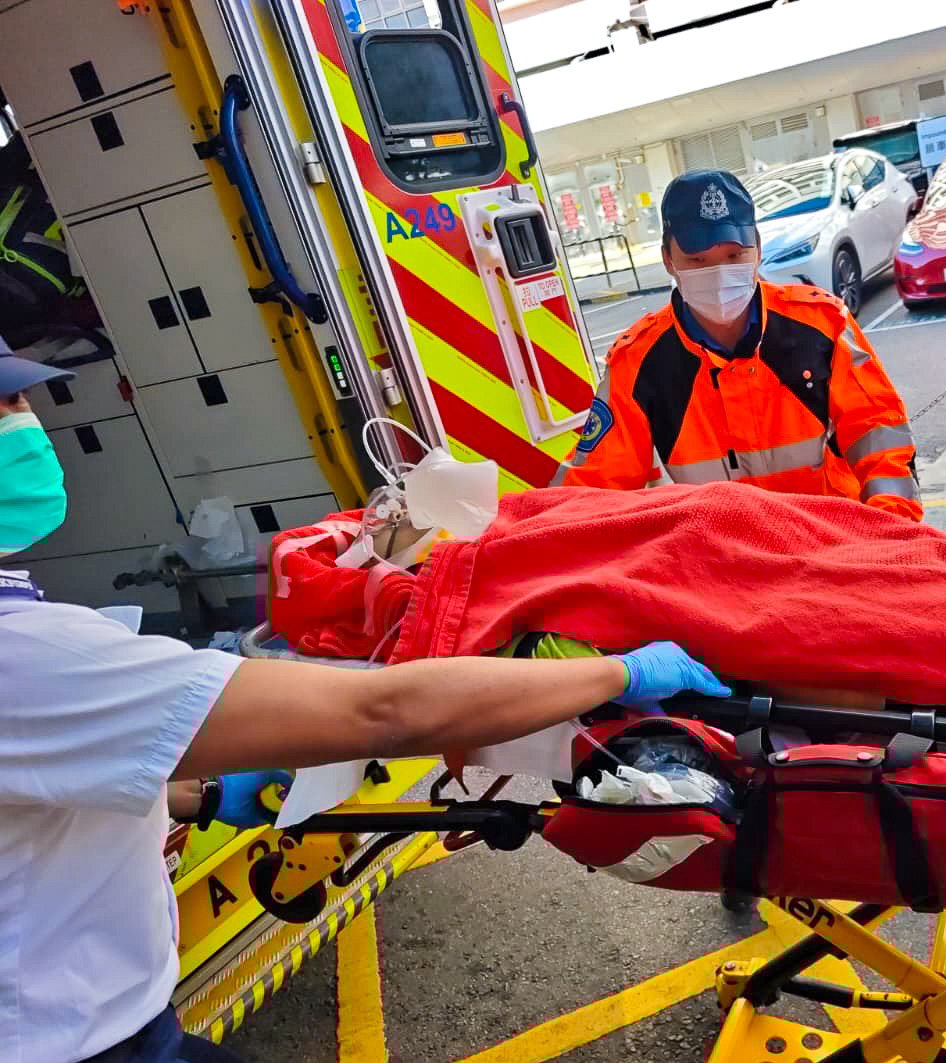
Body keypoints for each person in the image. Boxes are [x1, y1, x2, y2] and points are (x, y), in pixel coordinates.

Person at [0, 342, 730, 1063]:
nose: (27, 422)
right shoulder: (30, 654)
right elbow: (381, 711)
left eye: (21, 397)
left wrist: (194, 794)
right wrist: (620, 674)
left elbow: (38, 780)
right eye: (3, 406)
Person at [552, 169, 922, 521]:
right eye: (698, 260)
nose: (718, 274)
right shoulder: (638, 363)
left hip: (832, 538)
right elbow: (591, 487)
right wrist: (545, 536)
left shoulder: (823, 324)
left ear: (757, 249)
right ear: (668, 260)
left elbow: (878, 434)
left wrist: (891, 530)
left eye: (734, 256)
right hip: (724, 553)